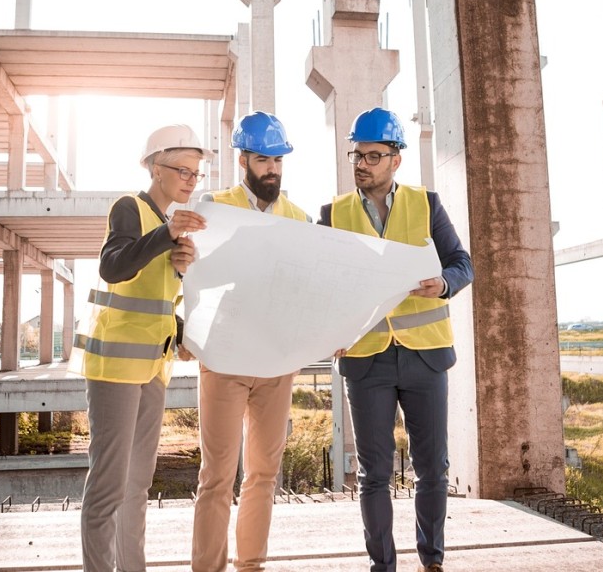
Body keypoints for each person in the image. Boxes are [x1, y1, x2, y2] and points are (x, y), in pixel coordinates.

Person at [318, 107, 474, 572]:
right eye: (357, 155)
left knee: (432, 469)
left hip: (424, 357)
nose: (362, 163)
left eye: (372, 155)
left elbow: (461, 263)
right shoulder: (333, 213)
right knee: (374, 475)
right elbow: (320, 284)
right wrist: (329, 330)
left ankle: (432, 560)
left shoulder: (426, 204)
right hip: (366, 361)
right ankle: (382, 565)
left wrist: (442, 283)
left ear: (395, 160)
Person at [72, 124, 209, 572]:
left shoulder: (170, 227)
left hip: (153, 367)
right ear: (154, 167)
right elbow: (113, 268)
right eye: (182, 169)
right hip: (114, 366)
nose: (190, 178)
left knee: (137, 486)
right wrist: (165, 238)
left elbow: (156, 303)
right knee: (109, 486)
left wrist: (182, 331)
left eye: (196, 172)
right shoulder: (130, 208)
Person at [191, 111, 311, 572]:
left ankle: (252, 565)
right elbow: (191, 276)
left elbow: (312, 284)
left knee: (262, 474)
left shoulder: (298, 218)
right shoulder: (214, 207)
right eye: (264, 159)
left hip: (277, 362)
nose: (273, 169)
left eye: (279, 160)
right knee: (216, 476)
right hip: (224, 358)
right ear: (244, 159)